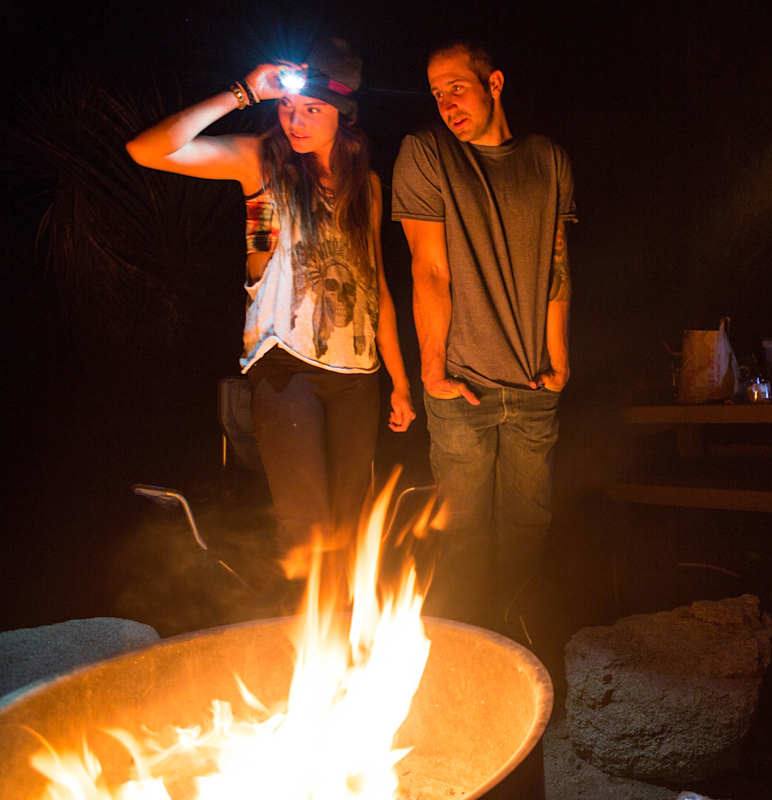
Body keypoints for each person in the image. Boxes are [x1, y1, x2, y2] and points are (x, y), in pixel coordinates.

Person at [126, 38, 415, 581]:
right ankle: (304, 637)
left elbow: (376, 288)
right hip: (284, 368)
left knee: (352, 527)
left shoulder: (367, 188)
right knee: (306, 528)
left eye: (311, 109)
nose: (295, 120)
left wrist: (400, 380)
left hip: (358, 377)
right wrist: (242, 93)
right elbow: (148, 150)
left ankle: (347, 645)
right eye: (286, 106)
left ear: (343, 117)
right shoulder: (259, 164)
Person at [391, 40, 577, 633]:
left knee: (529, 529)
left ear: (494, 82)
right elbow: (429, 268)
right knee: (462, 536)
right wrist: (432, 372)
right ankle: (466, 657)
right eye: (437, 93)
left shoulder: (548, 159)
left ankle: (521, 647)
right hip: (462, 388)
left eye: (457, 87)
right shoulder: (426, 154)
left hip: (532, 385)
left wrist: (560, 359)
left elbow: (556, 263)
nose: (446, 103)